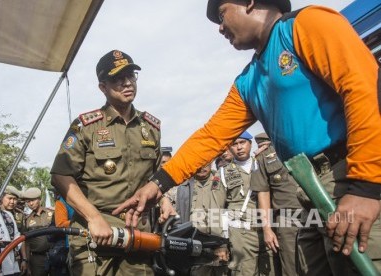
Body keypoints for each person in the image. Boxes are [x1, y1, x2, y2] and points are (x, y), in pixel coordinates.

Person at [115, 0, 381, 275]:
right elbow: (211, 137)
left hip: (348, 179)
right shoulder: (249, 79)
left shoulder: (306, 24)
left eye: (221, 14)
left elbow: (363, 89)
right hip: (308, 192)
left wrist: (366, 187)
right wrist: (158, 184)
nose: (219, 28)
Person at [50, 49, 167, 276]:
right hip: (94, 236)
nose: (127, 83)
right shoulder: (86, 126)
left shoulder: (151, 128)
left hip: (138, 236)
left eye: (131, 76)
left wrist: (164, 201)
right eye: (117, 78)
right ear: (103, 87)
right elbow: (60, 175)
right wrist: (93, 218)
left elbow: (156, 178)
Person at [221, 132, 275, 275]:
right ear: (230, 148)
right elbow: (218, 208)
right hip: (241, 233)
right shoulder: (223, 173)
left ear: (250, 144)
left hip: (268, 229)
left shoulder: (262, 163)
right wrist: (221, 242)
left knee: (271, 271)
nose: (239, 147)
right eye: (234, 144)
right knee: (245, 272)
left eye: (242, 142)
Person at [251, 133, 302, 276]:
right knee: (292, 268)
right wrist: (267, 229)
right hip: (288, 219)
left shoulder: (303, 140)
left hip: (318, 211)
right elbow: (263, 193)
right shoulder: (263, 157)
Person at [166, 162, 229, 275]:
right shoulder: (183, 185)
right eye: (198, 164)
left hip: (218, 242)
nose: (202, 168)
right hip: (194, 243)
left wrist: (222, 245)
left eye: (205, 164)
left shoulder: (222, 181)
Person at [23, 187, 54, 276]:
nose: (31, 203)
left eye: (33, 200)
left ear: (40, 199)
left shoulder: (52, 213)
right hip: (37, 259)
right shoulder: (27, 220)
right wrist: (27, 264)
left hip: (54, 254)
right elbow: (27, 243)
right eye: (28, 202)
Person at [1, 185, 28, 275]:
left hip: (15, 259)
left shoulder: (17, 215)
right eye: (10, 198)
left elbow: (21, 238)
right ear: (1, 197)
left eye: (15, 199)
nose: (12, 202)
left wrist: (24, 259)